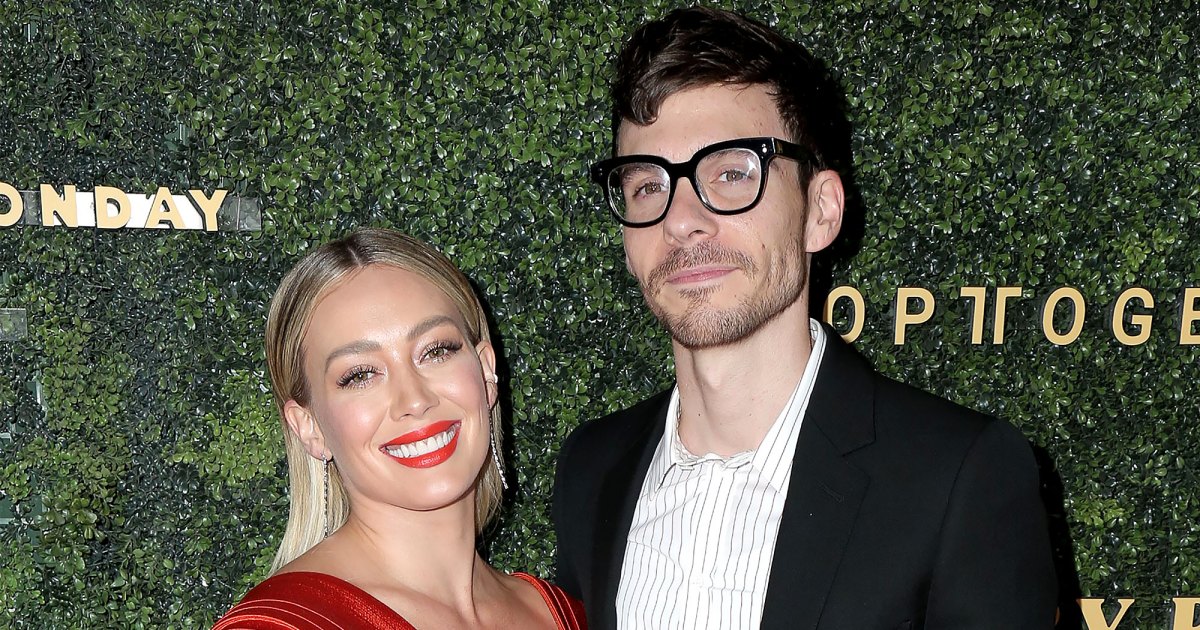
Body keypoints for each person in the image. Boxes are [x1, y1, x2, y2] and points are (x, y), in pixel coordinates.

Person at [553, 6, 1056, 629]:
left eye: (731, 173)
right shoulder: (591, 471)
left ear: (820, 212)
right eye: (648, 186)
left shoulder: (958, 479)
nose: (681, 221)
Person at [216, 228, 584, 629]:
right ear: (309, 427)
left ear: (485, 371)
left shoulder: (570, 613)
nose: (414, 400)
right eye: (360, 375)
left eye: (436, 351)